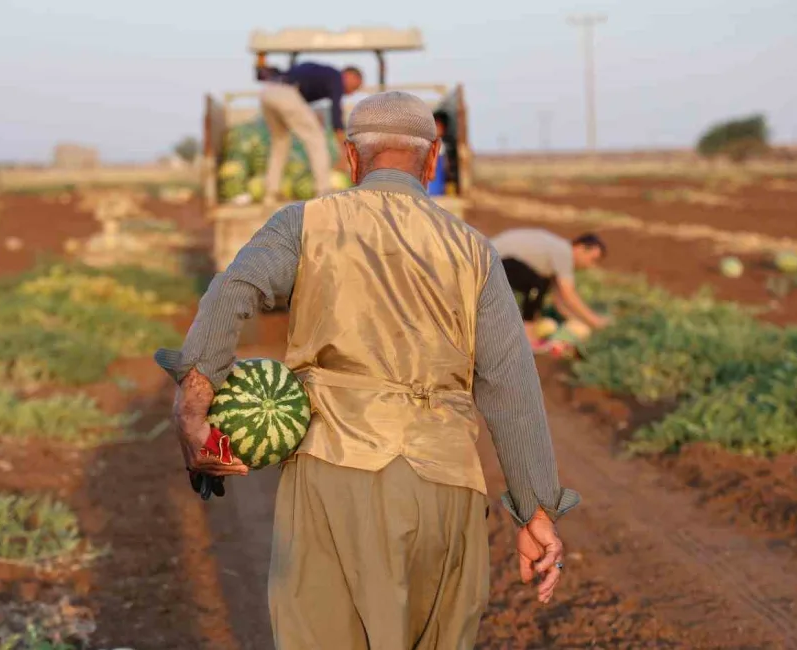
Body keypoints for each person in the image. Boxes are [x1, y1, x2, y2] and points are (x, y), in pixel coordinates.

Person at [163, 91, 579, 649]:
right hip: (448, 485)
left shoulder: (305, 223)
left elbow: (232, 289)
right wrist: (537, 511)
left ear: (349, 158)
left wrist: (194, 403)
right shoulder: (476, 250)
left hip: (336, 469)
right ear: (432, 161)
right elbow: (511, 386)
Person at [259, 61, 364, 203]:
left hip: (268, 92)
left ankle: (271, 193)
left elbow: (300, 97)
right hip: (286, 93)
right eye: (355, 87)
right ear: (350, 76)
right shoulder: (337, 77)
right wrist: (344, 151)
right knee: (317, 139)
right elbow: (336, 115)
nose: (352, 92)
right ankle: (323, 190)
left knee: (280, 142)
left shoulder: (323, 74)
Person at [490, 228, 610, 343]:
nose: (590, 266)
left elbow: (559, 300)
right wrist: (595, 321)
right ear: (581, 248)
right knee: (536, 286)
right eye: (592, 259)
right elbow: (568, 294)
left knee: (541, 284)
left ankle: (526, 330)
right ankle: (528, 333)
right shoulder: (564, 253)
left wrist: (576, 320)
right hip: (494, 259)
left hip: (497, 258)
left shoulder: (558, 252)